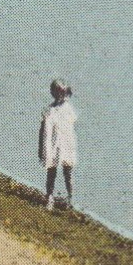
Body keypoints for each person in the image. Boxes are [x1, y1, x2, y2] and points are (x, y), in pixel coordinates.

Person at [39, 78, 77, 210]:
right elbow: (43, 131)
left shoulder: (68, 109)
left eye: (64, 93)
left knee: (68, 171)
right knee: (51, 171)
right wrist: (42, 149)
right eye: (59, 93)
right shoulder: (49, 111)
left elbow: (71, 125)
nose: (62, 96)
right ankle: (49, 197)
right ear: (54, 93)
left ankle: (70, 197)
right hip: (53, 144)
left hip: (66, 144)